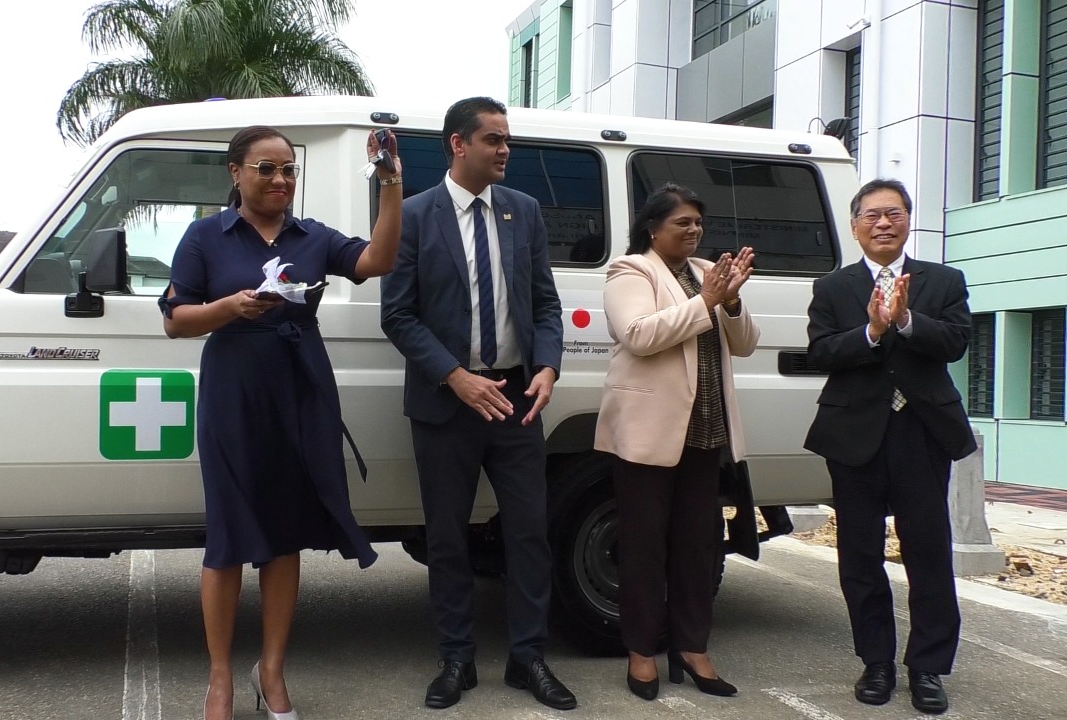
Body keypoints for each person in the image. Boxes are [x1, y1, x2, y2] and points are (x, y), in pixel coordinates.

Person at [161, 125, 402, 720]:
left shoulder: (312, 236)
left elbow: (377, 260)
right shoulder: (205, 236)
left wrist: (390, 183)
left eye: (289, 169)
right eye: (266, 168)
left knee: (285, 530)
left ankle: (271, 671)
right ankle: (220, 678)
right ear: (235, 172)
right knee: (227, 536)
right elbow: (175, 319)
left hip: (300, 387)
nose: (280, 179)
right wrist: (230, 307)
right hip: (234, 391)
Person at [379, 97, 573, 712]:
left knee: (529, 533)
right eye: (494, 139)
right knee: (447, 537)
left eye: (507, 139)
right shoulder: (414, 216)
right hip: (448, 404)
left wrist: (547, 366)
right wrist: (455, 377)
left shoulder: (524, 211)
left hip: (516, 400)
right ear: (458, 144)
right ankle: (456, 658)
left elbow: (545, 303)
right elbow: (398, 315)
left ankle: (528, 657)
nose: (505, 149)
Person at [804, 178, 974, 715]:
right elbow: (821, 352)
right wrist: (873, 331)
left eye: (894, 214)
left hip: (922, 433)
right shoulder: (833, 287)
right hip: (854, 436)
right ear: (855, 226)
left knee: (928, 553)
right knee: (859, 555)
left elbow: (956, 342)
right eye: (872, 215)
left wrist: (904, 319)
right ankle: (876, 661)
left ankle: (927, 667)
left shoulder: (943, 280)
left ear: (908, 220)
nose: (883, 223)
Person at [594, 183, 758, 702]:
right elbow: (638, 334)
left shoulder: (710, 272)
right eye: (682, 222)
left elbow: (745, 344)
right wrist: (706, 302)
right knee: (643, 546)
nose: (694, 230)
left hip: (705, 432)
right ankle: (642, 651)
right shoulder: (630, 270)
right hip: (649, 434)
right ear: (652, 228)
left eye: (698, 223)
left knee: (698, 546)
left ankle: (692, 648)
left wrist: (730, 301)